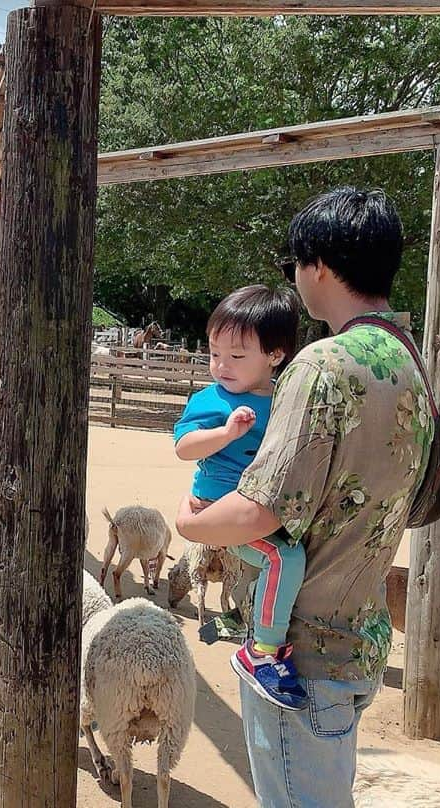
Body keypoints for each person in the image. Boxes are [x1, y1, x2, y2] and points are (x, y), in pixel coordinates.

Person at [175, 187, 433, 808]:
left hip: (301, 652)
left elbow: (262, 510)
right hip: (359, 631)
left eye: (295, 263)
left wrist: (190, 525)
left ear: (316, 266)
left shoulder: (323, 365)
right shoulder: (405, 358)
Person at [173, 284, 309, 710]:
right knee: (282, 558)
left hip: (259, 507)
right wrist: (225, 433)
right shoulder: (212, 399)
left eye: (236, 356)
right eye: (215, 353)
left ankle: (252, 615)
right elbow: (184, 447)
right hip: (221, 508)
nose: (221, 366)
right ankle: (264, 653)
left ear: (274, 355)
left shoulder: (287, 394)